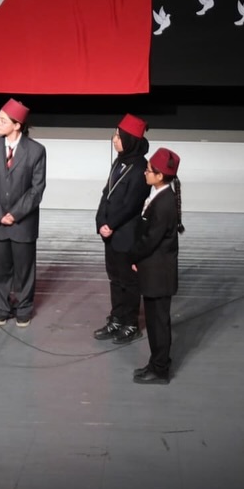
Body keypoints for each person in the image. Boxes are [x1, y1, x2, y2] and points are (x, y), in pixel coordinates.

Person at [0, 98, 46, 327]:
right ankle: (1, 308)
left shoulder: (36, 151)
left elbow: (36, 189)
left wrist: (15, 214)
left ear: (17, 125)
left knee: (24, 270)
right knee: (0, 269)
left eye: (3, 120)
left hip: (23, 222)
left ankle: (24, 309)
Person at [128, 147, 185, 384]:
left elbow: (151, 239)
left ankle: (160, 369)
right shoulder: (161, 197)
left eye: (149, 170)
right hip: (155, 271)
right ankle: (155, 363)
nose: (145, 172)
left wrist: (133, 257)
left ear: (160, 176)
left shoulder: (163, 204)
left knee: (158, 323)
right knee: (154, 322)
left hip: (158, 274)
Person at [93, 113, 151, 344]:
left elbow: (131, 204)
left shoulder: (141, 168)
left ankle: (130, 323)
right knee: (115, 279)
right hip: (111, 233)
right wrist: (100, 221)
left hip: (127, 233)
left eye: (118, 136)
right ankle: (116, 319)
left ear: (129, 139)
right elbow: (106, 194)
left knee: (128, 281)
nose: (114, 139)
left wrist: (111, 224)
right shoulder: (119, 161)